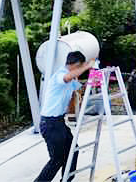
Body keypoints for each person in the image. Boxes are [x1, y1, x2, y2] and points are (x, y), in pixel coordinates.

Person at [35, 51, 95, 182]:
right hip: (50, 123)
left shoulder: (71, 78)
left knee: (73, 151)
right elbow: (66, 78)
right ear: (75, 64)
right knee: (57, 159)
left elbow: (80, 87)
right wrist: (87, 66)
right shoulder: (59, 75)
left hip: (59, 122)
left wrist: (95, 79)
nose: (81, 70)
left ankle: (67, 179)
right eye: (79, 66)